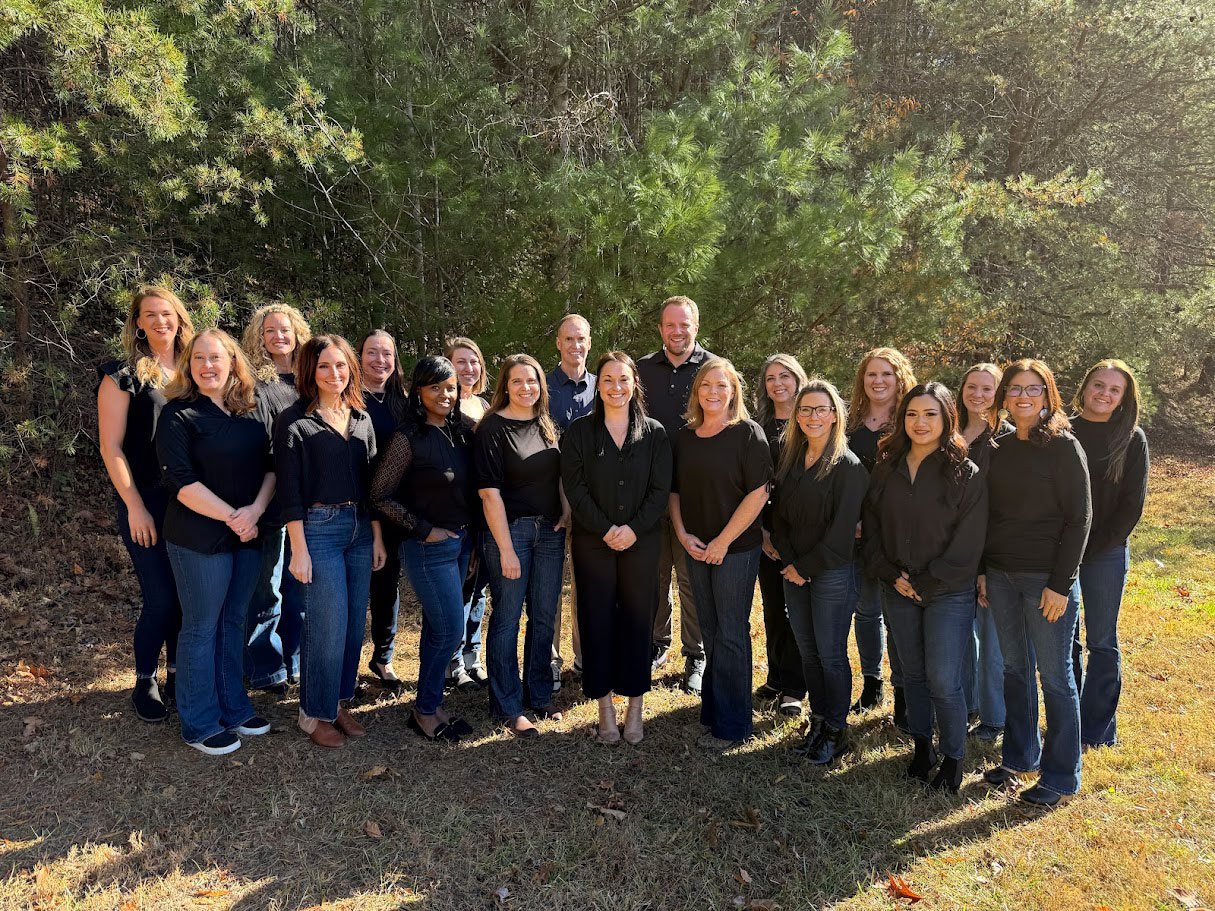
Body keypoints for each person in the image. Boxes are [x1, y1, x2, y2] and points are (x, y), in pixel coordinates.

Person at [156, 329, 276, 755]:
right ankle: (199, 722)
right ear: (189, 365)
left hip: (247, 534)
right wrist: (233, 517)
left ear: (232, 363)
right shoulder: (177, 415)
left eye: (216, 358)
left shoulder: (250, 411)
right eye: (199, 358)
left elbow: (271, 469)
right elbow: (180, 482)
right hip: (199, 537)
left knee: (233, 623)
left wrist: (255, 513)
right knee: (202, 628)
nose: (208, 365)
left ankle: (234, 708)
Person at [865, 383, 989, 793]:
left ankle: (953, 758)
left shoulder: (963, 472)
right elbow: (874, 528)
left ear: (947, 418)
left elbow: (969, 541)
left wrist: (927, 581)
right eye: (913, 414)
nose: (921, 423)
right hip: (897, 586)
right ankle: (922, 748)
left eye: (931, 414)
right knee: (911, 674)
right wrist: (890, 574)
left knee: (942, 678)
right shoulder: (886, 465)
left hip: (947, 591)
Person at [982, 358, 1091, 807]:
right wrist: (984, 572)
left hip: (1046, 580)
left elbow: (1080, 518)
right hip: (1001, 576)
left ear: (1048, 396)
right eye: (1014, 389)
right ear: (1003, 396)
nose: (1023, 397)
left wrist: (1061, 585)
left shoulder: (1064, 446)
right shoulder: (999, 445)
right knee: (1014, 669)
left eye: (1033, 389)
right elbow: (990, 516)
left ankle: (1062, 775)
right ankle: (1019, 756)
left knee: (1056, 676)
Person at [276, 336, 386, 749]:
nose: (334, 374)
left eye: (341, 366)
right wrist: (298, 549)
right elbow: (288, 491)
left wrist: (376, 536)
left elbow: (373, 484)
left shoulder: (361, 416)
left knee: (354, 623)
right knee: (327, 623)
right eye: (325, 366)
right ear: (310, 371)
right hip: (318, 529)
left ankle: (337, 701)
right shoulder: (295, 422)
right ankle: (313, 713)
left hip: (359, 528)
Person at [562, 352, 672, 744]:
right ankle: (605, 706)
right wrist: (607, 528)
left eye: (623, 379)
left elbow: (661, 491)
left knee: (639, 620)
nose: (616, 387)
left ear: (634, 384)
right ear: (598, 385)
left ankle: (635, 706)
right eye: (608, 379)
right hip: (594, 543)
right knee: (597, 620)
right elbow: (575, 489)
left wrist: (633, 529)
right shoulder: (578, 433)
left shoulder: (655, 433)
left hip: (642, 543)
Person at [98, 286, 194, 722]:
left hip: (193, 501)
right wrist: (134, 505)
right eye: (150, 315)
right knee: (161, 598)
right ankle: (144, 679)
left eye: (167, 313)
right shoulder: (122, 375)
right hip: (147, 501)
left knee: (186, 596)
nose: (160, 321)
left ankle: (177, 672)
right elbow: (111, 447)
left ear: (179, 319)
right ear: (138, 322)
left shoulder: (197, 369)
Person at [372, 356, 478, 742]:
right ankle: (425, 711)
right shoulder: (407, 438)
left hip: (463, 543)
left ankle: (429, 702)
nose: (445, 394)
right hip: (427, 547)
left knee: (439, 627)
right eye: (435, 387)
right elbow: (379, 494)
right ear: (419, 391)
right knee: (451, 629)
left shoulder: (463, 431)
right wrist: (424, 529)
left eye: (450, 387)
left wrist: (475, 543)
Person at [670, 358, 772, 750]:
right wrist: (682, 534)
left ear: (734, 391)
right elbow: (674, 491)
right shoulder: (685, 437)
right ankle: (713, 710)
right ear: (697, 391)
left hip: (735, 550)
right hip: (696, 547)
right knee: (709, 630)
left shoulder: (748, 434)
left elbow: (759, 492)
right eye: (706, 386)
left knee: (731, 632)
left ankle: (733, 726)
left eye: (722, 386)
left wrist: (723, 542)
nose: (713, 393)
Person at [769, 380, 868, 765]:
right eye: (805, 409)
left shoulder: (849, 467)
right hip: (793, 570)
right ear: (797, 415)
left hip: (832, 573)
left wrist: (805, 568)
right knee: (808, 654)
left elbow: (844, 533)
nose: (813, 416)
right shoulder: (791, 460)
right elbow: (778, 519)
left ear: (835, 415)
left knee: (830, 654)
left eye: (821, 409)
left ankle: (836, 731)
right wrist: (790, 564)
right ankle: (818, 720)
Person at [476, 353, 570, 737]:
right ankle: (508, 704)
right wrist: (506, 549)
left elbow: (558, 475)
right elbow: (488, 493)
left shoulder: (547, 423)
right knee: (507, 617)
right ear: (505, 386)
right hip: (509, 533)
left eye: (532, 381)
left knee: (545, 615)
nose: (526, 388)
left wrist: (565, 511)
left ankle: (539, 693)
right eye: (517, 382)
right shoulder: (493, 428)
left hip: (550, 532)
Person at [636, 296, 715, 694]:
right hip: (649, 495)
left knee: (691, 579)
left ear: (696, 326)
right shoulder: (641, 370)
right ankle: (656, 644)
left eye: (684, 324)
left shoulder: (714, 370)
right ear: (661, 329)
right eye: (670, 325)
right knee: (653, 577)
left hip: (695, 497)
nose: (677, 331)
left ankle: (696, 655)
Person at [1070, 359, 1149, 749]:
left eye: (1113, 390)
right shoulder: (1060, 430)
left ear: (1123, 399)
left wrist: (1091, 548)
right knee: (1065, 640)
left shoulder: (1131, 439)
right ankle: (1070, 721)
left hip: (1105, 552)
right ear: (1085, 387)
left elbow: (1132, 506)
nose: (1104, 394)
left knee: (1101, 639)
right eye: (1098, 385)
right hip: (1059, 551)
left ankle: (1097, 730)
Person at [240, 303, 312, 693]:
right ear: (259, 338)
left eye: (285, 330)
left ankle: (294, 660)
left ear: (298, 332)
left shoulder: (310, 380)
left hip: (308, 501)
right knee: (268, 589)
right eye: (269, 331)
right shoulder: (255, 383)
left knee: (298, 588)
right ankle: (266, 669)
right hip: (271, 501)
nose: (278, 336)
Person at [845, 346, 917, 721]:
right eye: (871, 375)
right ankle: (872, 684)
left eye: (886, 374)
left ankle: (904, 691)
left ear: (900, 378)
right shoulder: (849, 423)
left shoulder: (911, 421)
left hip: (895, 536)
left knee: (898, 614)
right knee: (866, 610)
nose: (878, 381)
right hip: (855, 536)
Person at [957, 363, 1011, 742]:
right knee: (961, 636)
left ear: (999, 394)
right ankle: (970, 705)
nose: (978, 394)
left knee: (992, 641)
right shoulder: (951, 433)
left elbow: (1004, 507)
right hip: (955, 551)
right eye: (971, 387)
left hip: (991, 552)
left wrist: (987, 567)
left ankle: (995, 720)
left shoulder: (1005, 439)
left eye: (987, 389)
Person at [754, 354, 810, 716]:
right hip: (763, 532)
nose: (778, 383)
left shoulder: (811, 421)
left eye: (785, 376)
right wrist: (761, 532)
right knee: (773, 609)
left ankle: (795, 687)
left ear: (798, 380)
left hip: (801, 534)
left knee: (797, 613)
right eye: (771, 377)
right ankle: (775, 676)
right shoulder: (756, 426)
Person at [547, 314, 595, 691]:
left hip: (593, 503)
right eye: (568, 339)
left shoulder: (604, 386)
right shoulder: (543, 387)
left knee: (586, 585)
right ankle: (549, 659)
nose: (575, 345)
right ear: (558, 344)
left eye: (581, 339)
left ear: (589, 343)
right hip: (548, 499)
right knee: (549, 585)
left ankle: (583, 658)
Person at [360, 330, 409, 692]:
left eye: (387, 354)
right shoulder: (348, 399)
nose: (380, 360)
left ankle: (383, 656)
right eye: (372, 353)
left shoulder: (402, 404)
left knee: (385, 585)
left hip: (391, 509)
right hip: (352, 505)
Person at [445, 336, 491, 688]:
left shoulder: (486, 405)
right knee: (459, 586)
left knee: (479, 587)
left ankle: (473, 656)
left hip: (485, 510)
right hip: (457, 508)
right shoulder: (444, 406)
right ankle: (452, 660)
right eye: (460, 361)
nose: (468, 368)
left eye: (473, 361)